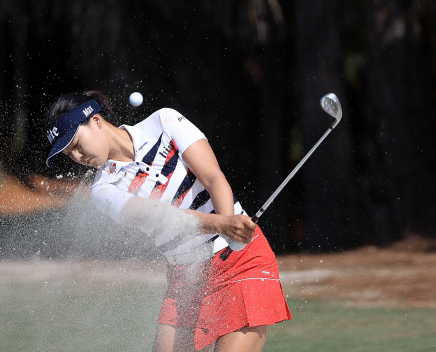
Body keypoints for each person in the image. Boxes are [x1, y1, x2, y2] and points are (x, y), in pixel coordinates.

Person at [45, 90, 292, 352]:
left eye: (77, 144)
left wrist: (229, 225)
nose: (77, 157)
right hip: (187, 278)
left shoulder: (164, 121)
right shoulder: (103, 190)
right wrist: (222, 225)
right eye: (69, 153)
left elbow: (212, 177)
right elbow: (165, 218)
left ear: (95, 120)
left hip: (239, 261)